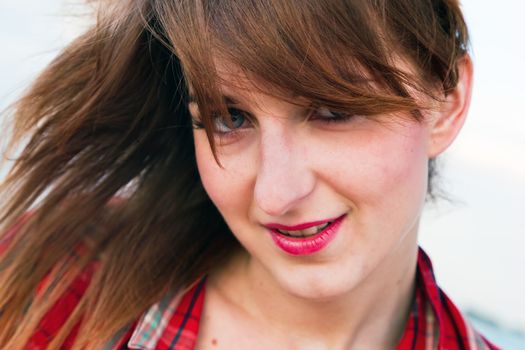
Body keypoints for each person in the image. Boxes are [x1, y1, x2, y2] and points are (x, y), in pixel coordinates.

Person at [0, 0, 499, 349]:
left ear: (446, 102)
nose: (275, 193)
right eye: (229, 119)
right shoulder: (56, 279)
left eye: (331, 110)